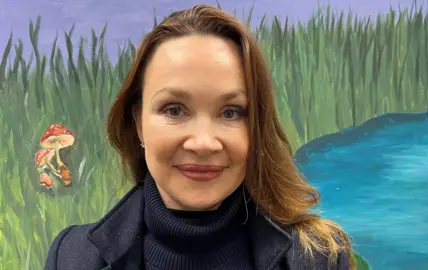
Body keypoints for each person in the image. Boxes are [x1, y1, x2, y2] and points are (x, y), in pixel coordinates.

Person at [44, 4, 355, 270]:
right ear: (139, 123)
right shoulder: (72, 258)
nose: (204, 143)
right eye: (175, 110)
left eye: (232, 112)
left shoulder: (319, 257)